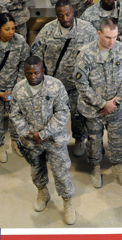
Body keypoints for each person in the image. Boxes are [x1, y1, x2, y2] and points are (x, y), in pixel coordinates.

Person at [10, 56, 76, 225]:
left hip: (54, 139)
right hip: (31, 141)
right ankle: (42, 192)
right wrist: (28, 133)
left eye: (37, 73)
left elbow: (63, 112)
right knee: (36, 170)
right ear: (24, 72)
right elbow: (15, 114)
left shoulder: (55, 85)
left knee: (61, 172)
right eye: (29, 73)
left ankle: (67, 202)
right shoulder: (18, 89)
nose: (33, 76)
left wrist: (44, 134)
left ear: (43, 71)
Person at [31, 0, 97, 158]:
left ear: (73, 12)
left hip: (77, 85)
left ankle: (79, 139)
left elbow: (95, 55)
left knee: (78, 115)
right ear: (56, 15)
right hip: (54, 85)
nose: (65, 18)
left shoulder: (87, 29)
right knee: (51, 116)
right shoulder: (48, 30)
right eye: (61, 15)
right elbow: (36, 54)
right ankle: (51, 141)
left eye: (68, 14)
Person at [75, 19, 122, 189]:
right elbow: (81, 84)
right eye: (108, 37)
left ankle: (118, 168)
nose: (112, 41)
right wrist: (102, 104)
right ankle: (95, 167)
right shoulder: (86, 54)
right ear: (99, 34)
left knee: (118, 140)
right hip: (93, 110)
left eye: (115, 37)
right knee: (94, 141)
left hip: (116, 108)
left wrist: (116, 101)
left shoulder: (121, 50)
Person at [0, 12, 30, 163]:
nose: (11, 32)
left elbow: (24, 66)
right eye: (7, 29)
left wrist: (16, 89)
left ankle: (15, 141)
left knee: (16, 118)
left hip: (15, 89)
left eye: (13, 28)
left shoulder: (20, 41)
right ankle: (0, 146)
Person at [81, 0, 122, 120]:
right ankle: (103, 107)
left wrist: (118, 40)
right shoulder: (89, 14)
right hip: (98, 59)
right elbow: (85, 36)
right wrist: (101, 43)